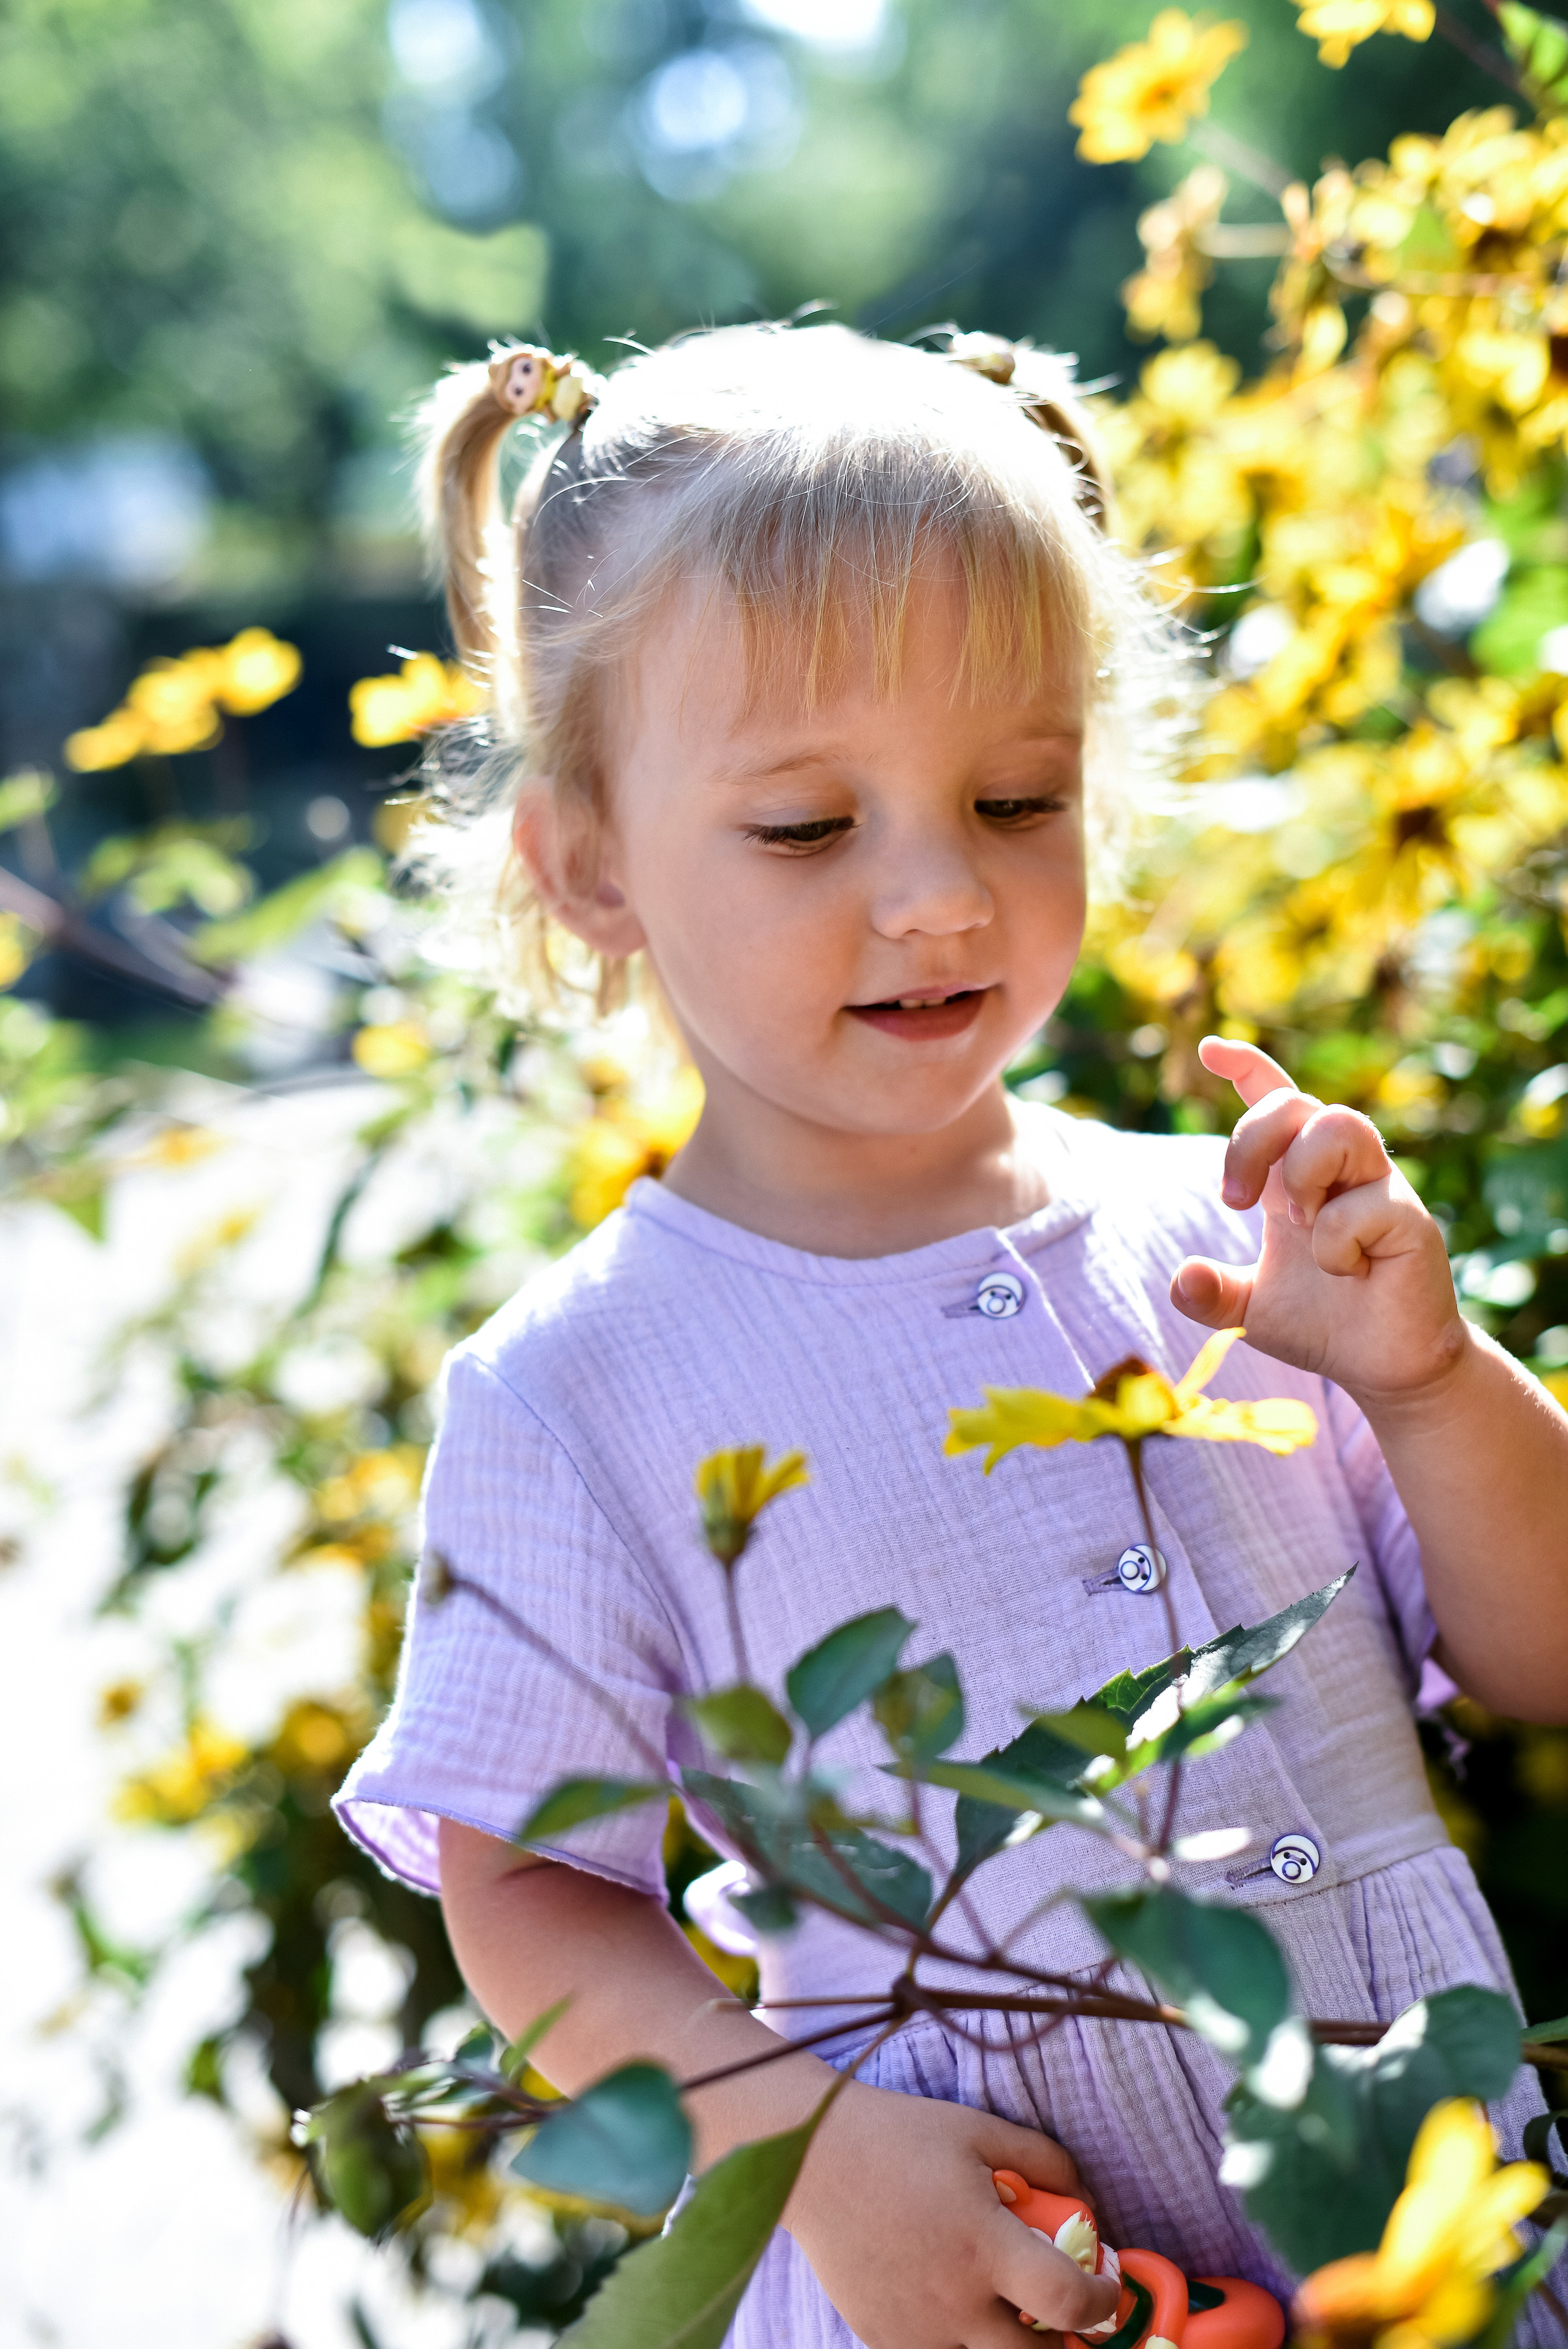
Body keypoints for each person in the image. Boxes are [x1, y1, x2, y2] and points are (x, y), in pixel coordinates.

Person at [335, 320, 1568, 2349]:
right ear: (587, 862)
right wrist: (799, 2149)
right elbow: (530, 1892)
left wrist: (1427, 1387)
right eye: (808, 829)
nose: (937, 899)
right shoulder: (582, 1390)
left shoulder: (1229, 1232)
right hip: (983, 2281)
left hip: (1423, 2255)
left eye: (1016, 796)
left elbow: (1537, 1656)